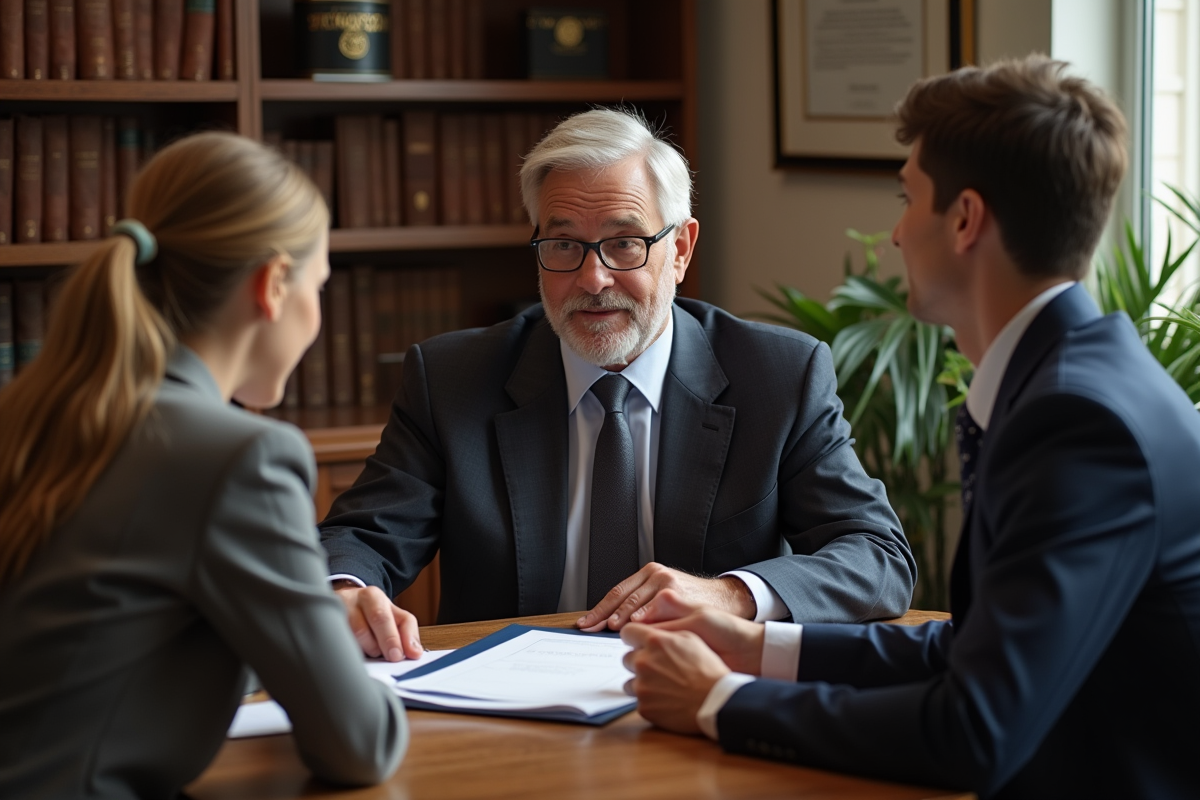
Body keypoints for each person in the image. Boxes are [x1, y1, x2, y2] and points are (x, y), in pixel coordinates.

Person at [619, 56, 1200, 799]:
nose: (895, 234)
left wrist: (718, 701)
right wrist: (757, 648)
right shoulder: (1074, 380)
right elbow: (975, 649)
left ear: (965, 220)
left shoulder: (1077, 422)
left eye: (908, 198)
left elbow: (973, 731)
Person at [320, 107, 916, 662]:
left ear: (679, 250)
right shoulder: (452, 378)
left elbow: (876, 556)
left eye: (625, 243)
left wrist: (731, 593)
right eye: (563, 245)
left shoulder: (778, 377)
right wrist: (345, 591)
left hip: (697, 691)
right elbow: (359, 537)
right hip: (506, 704)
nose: (593, 278)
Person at [0, 132, 409, 799]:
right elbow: (359, 744)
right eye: (318, 286)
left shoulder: (32, 413)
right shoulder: (241, 457)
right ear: (272, 285)